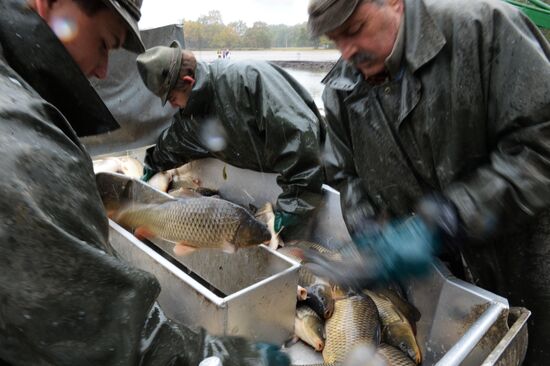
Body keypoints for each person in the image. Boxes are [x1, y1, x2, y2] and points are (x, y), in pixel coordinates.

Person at [0, 0, 289, 365]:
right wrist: (234, 358)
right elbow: (113, 334)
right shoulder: (24, 146)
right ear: (49, 4)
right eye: (105, 43)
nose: (103, 71)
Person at [306, 0, 550, 364]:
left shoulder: (485, 28)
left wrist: (449, 220)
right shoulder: (339, 93)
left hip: (523, 266)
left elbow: (539, 145)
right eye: (335, 39)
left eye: (354, 29)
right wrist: (371, 231)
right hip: (439, 285)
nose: (347, 51)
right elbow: (345, 174)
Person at [137, 42, 325, 235]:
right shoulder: (193, 111)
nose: (172, 106)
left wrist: (294, 205)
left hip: (315, 179)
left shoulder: (249, 79)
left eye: (172, 99)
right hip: (272, 181)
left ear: (188, 81)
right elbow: (177, 139)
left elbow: (301, 141)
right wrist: (153, 162)